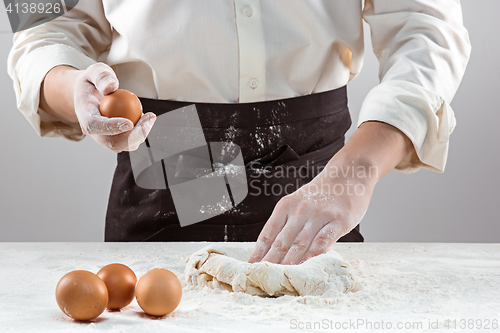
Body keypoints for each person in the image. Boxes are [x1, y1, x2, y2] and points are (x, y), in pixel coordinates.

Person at [8, 1, 470, 265]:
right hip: (168, 159)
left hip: (318, 178)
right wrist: (73, 90)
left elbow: (427, 25)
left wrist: (357, 170)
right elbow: (42, 23)